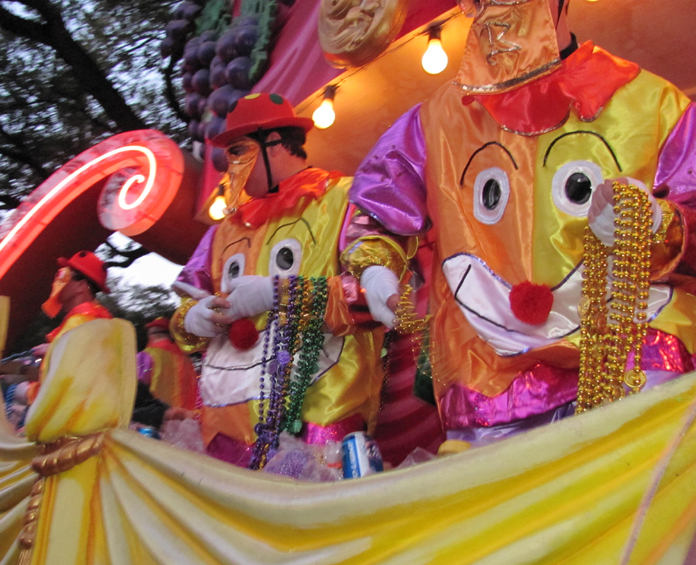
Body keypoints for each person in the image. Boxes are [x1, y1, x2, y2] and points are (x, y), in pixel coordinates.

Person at [346, 0, 696, 450]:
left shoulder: (651, 105)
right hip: (488, 385)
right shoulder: (436, 123)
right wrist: (374, 270)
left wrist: (657, 224)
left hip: (632, 363)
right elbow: (374, 212)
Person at [170, 92, 397, 467]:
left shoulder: (345, 201)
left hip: (318, 427)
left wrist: (277, 293)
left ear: (274, 144)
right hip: (225, 436)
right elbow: (183, 319)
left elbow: (371, 299)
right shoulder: (221, 233)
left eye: (239, 151)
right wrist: (195, 318)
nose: (231, 168)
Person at [2, 250, 112, 425]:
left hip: (65, 415)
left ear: (81, 286)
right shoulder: (98, 318)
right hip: (79, 410)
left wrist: (28, 390)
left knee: (2, 388)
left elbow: (64, 378)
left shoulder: (80, 321)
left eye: (63, 275)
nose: (57, 281)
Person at [137, 317, 198, 410]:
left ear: (151, 335)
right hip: (186, 416)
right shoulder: (185, 358)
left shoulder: (146, 355)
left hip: (157, 416)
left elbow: (137, 387)